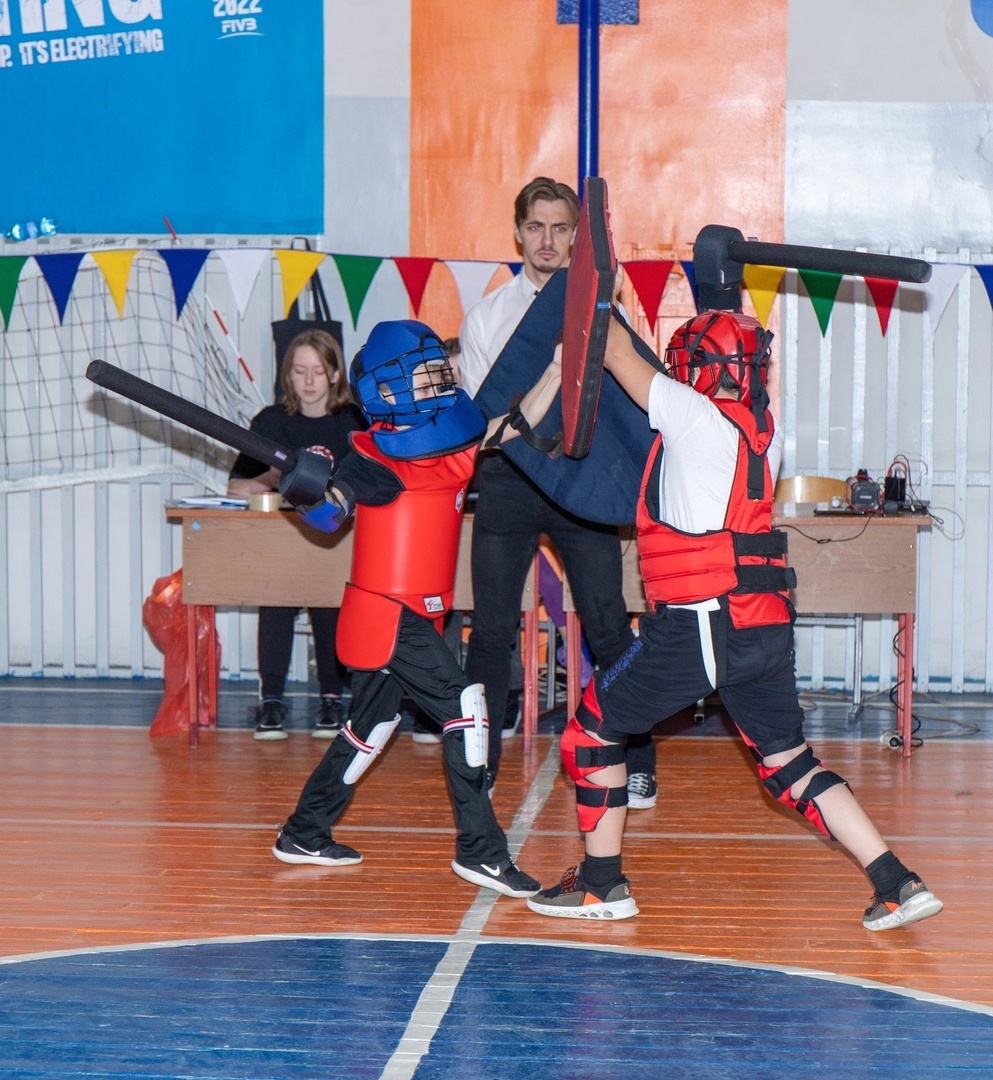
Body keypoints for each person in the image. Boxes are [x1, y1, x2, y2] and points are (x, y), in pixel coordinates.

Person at [527, 309, 944, 932]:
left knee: (589, 735)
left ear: (699, 367)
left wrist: (592, 285)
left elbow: (610, 345)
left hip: (701, 623)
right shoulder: (766, 430)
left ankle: (600, 885)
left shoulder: (690, 415)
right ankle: (897, 882)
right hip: (763, 625)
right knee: (790, 763)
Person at [270, 319, 557, 896]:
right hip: (384, 611)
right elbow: (330, 515)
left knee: (371, 726)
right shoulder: (370, 458)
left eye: (437, 373)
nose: (438, 383)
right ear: (390, 388)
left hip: (421, 611)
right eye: (425, 375)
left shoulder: (450, 443)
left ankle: (304, 831)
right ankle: (481, 851)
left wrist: (557, 367)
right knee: (466, 708)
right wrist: (306, 491)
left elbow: (516, 424)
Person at [460, 176, 657, 801]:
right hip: (507, 479)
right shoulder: (488, 316)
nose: (547, 240)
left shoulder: (604, 312)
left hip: (580, 473)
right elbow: (479, 423)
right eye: (536, 226)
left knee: (607, 624)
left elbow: (631, 401)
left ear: (576, 237)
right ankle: (478, 768)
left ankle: (637, 760)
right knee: (490, 632)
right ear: (518, 233)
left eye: (560, 228)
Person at [227, 329, 366, 741]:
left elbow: (372, 482)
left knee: (330, 599)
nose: (307, 381)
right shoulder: (270, 422)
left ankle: (331, 697)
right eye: (299, 371)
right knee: (276, 598)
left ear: (335, 374)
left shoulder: (354, 422)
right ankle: (271, 699)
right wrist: (274, 477)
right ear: (287, 374)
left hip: (336, 541)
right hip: (282, 544)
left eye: (317, 372)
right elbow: (236, 486)